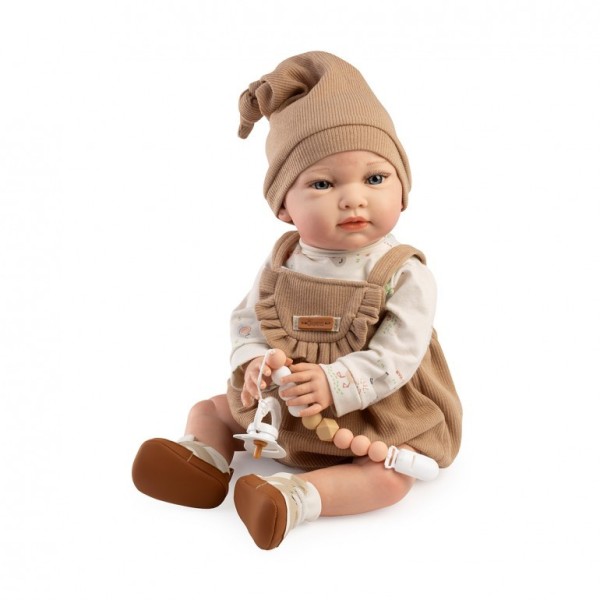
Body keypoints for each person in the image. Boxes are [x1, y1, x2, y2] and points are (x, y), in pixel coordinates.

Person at [132, 51, 462, 550]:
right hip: (281, 407)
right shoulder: (283, 262)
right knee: (211, 408)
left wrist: (333, 382)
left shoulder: (403, 273)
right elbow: (248, 319)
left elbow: (400, 353)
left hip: (371, 412)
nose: (353, 198)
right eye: (322, 184)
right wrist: (254, 362)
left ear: (402, 191)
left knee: (390, 477)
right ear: (284, 206)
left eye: (375, 178)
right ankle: (203, 460)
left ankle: (294, 498)